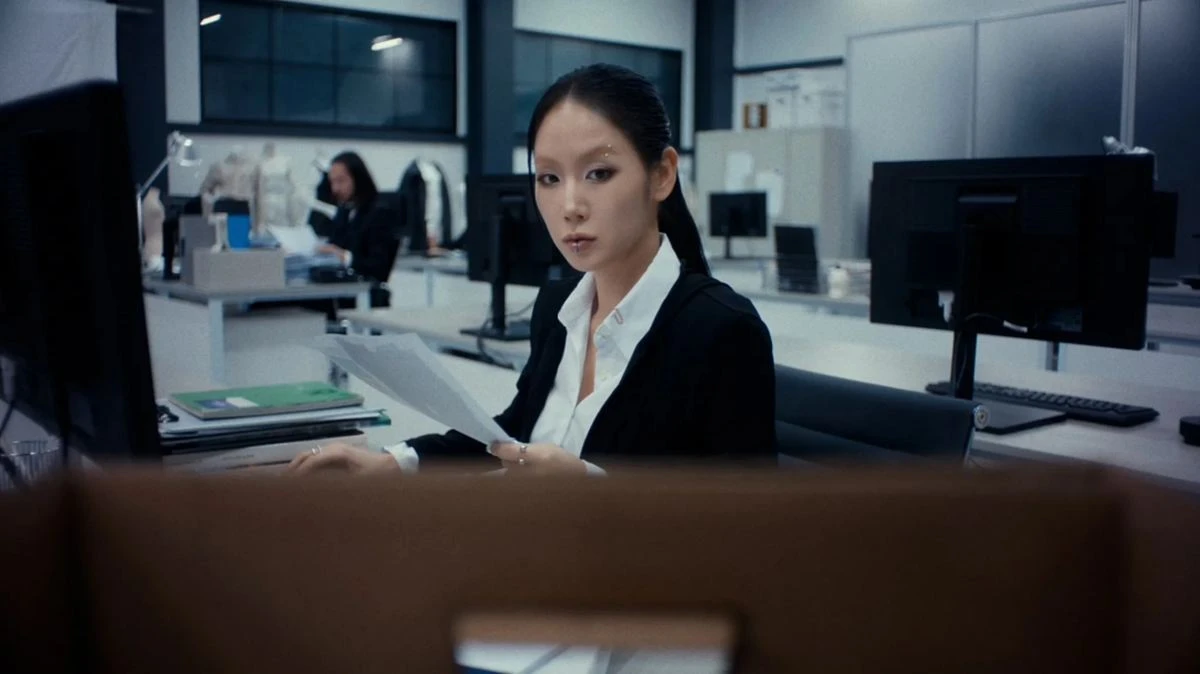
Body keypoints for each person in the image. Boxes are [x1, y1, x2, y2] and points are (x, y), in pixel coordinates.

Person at [289, 64, 776, 477]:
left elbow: (746, 530)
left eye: (599, 173)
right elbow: (512, 433)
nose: (569, 205)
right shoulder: (558, 308)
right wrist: (393, 462)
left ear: (662, 174)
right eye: (549, 177)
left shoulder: (721, 329)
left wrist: (591, 491)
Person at [317, 152, 399, 286]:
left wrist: (345, 257)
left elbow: (379, 268)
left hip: (365, 289)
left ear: (358, 178)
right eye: (332, 182)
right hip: (340, 286)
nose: (335, 188)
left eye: (341, 181)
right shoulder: (344, 211)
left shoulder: (379, 212)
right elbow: (335, 242)